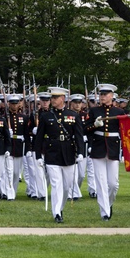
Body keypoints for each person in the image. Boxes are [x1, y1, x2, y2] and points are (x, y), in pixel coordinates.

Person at [33, 87, 85, 223]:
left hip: (68, 153)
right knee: (56, 184)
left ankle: (60, 208)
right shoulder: (46, 116)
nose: (52, 100)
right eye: (52, 98)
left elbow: (79, 136)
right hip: (52, 152)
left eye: (55, 98)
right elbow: (39, 138)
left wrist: (81, 153)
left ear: (62, 99)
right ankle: (56, 213)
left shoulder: (73, 115)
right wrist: (38, 156)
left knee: (67, 186)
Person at [86, 83, 125, 221]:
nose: (102, 96)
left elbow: (125, 133)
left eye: (105, 94)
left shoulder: (119, 112)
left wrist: (125, 152)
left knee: (113, 184)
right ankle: (105, 212)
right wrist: (94, 125)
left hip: (113, 148)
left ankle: (109, 203)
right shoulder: (94, 111)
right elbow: (86, 129)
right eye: (101, 94)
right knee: (101, 182)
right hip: (98, 148)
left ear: (112, 96)